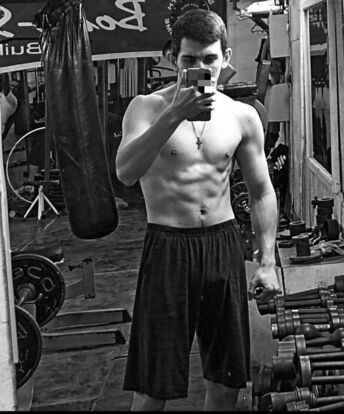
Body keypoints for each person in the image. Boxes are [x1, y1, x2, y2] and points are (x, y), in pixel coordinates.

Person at [116, 9, 280, 411]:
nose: (200, 68)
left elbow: (262, 191)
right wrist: (175, 113)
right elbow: (125, 173)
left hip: (222, 245)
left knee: (226, 382)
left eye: (209, 59)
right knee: (152, 389)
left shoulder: (242, 115)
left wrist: (267, 261)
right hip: (168, 248)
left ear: (225, 58)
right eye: (189, 59)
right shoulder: (145, 107)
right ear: (173, 58)